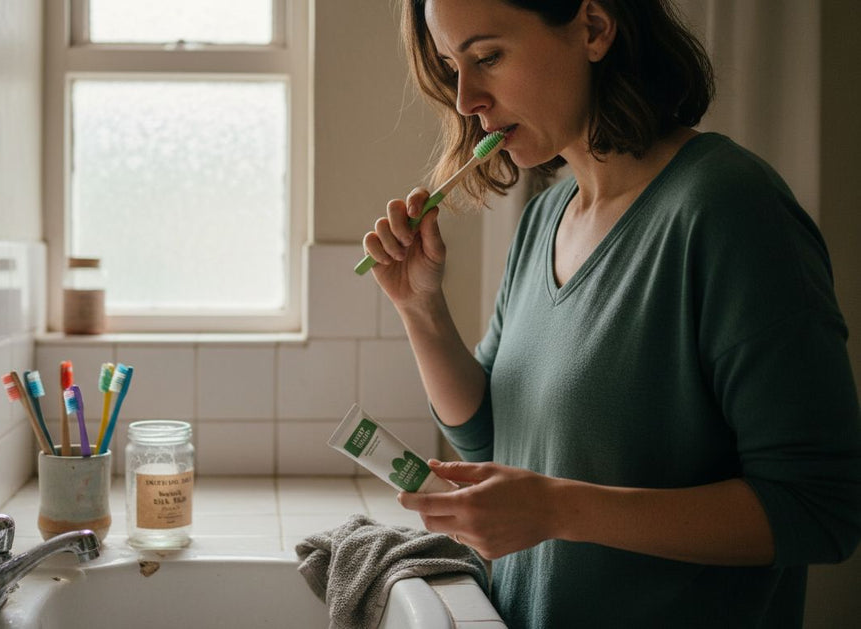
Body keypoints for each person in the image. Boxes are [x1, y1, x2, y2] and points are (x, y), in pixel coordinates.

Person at [362, 0, 861, 626]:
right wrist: (420, 308)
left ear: (593, 29)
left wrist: (559, 509)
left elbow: (820, 510)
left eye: (487, 57)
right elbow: (494, 436)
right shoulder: (546, 216)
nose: (466, 100)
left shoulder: (729, 210)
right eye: (449, 66)